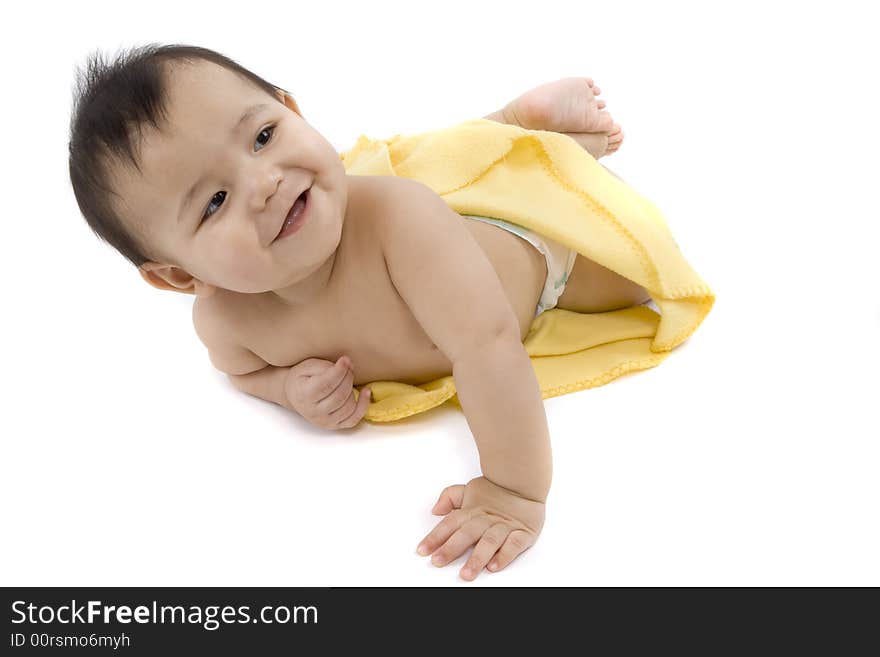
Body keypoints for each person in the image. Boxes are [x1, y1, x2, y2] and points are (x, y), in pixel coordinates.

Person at [68, 43, 649, 581]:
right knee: (416, 169)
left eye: (264, 136)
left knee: (634, 273)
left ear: (290, 108)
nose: (264, 183)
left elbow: (489, 344)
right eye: (214, 202)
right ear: (180, 276)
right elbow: (241, 371)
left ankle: (542, 141)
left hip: (535, 253)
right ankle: (512, 131)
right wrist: (288, 389)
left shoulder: (401, 222)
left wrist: (514, 491)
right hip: (434, 230)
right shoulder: (227, 323)